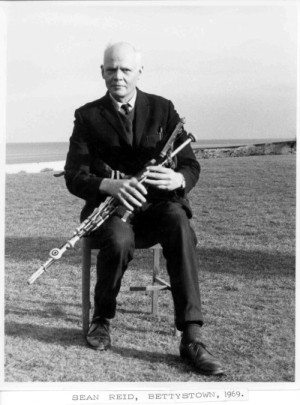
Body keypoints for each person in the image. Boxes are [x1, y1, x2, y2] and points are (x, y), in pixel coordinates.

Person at [64, 41, 224, 376]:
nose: (118, 77)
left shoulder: (163, 109)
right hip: (111, 212)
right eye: (111, 70)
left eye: (125, 69)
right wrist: (111, 185)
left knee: (180, 225)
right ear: (102, 72)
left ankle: (191, 336)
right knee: (119, 240)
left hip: (157, 211)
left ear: (139, 71)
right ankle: (102, 319)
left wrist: (177, 178)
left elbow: (191, 166)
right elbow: (74, 176)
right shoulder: (87, 116)